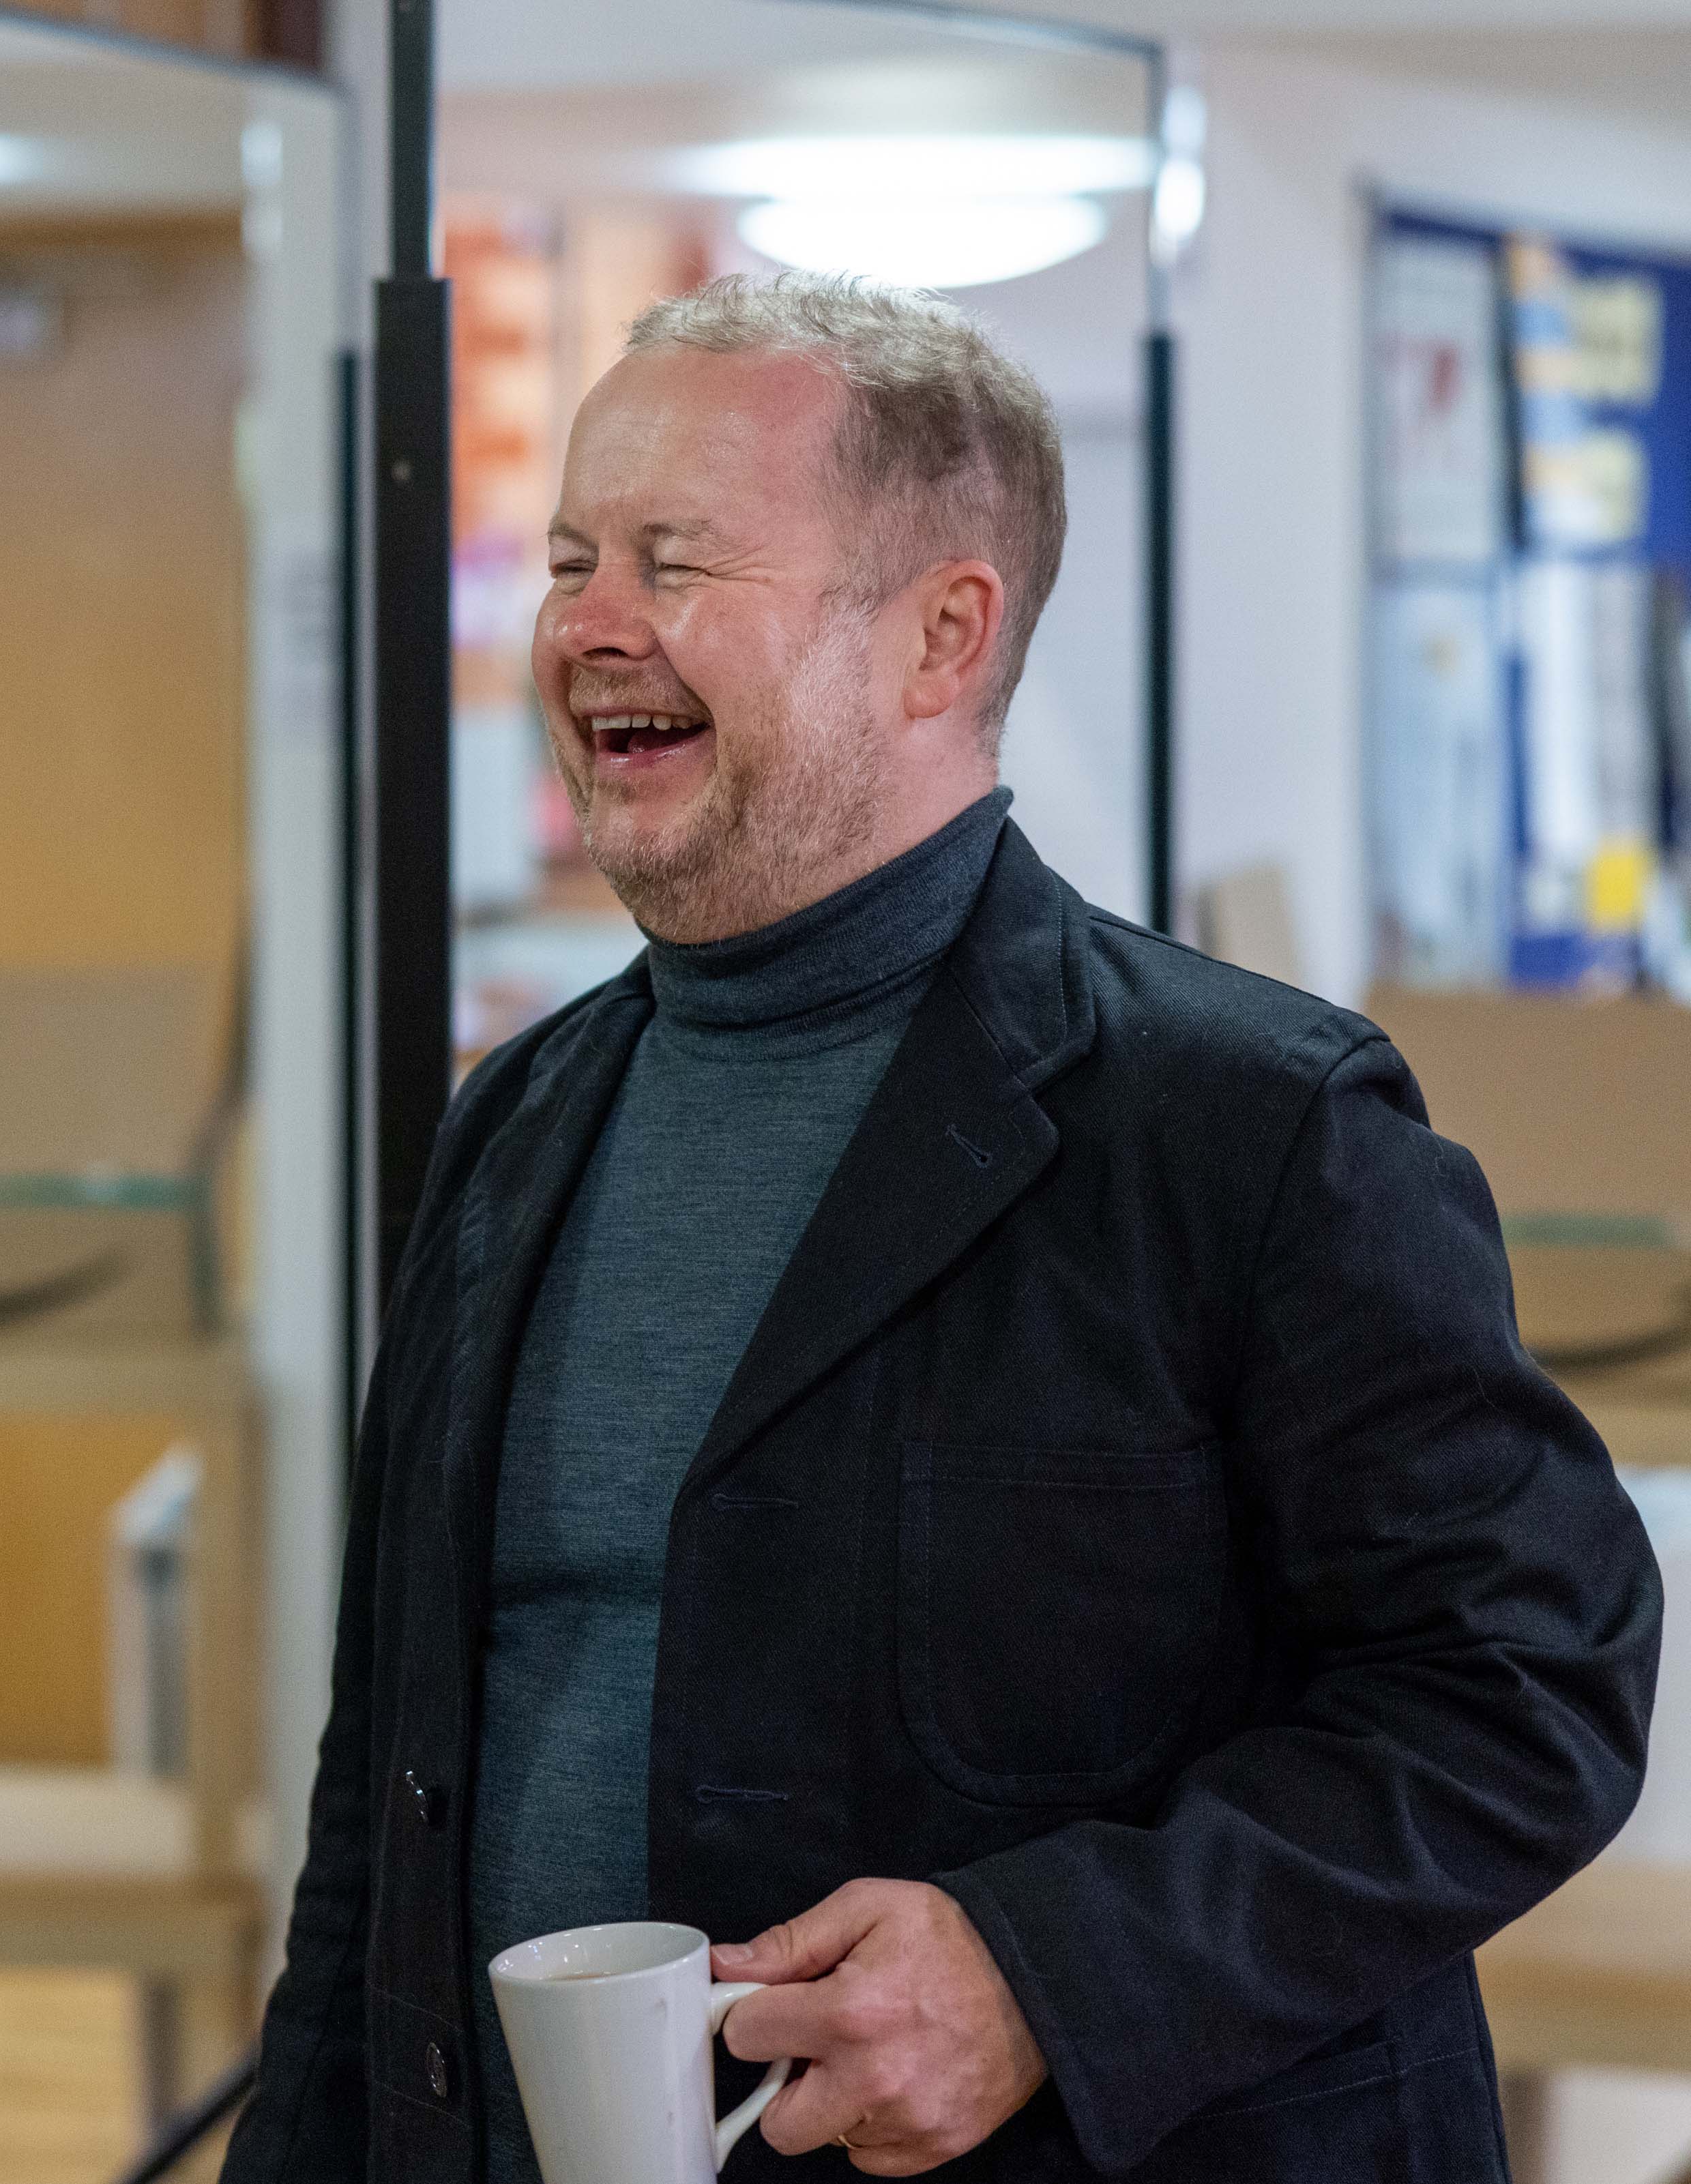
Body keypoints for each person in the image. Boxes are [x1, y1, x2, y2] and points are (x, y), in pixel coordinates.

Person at [226, 273, 1660, 2183]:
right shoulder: (515, 1126)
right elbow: (384, 1795)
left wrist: (1044, 1973)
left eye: (675, 557)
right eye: (575, 555)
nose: (588, 624)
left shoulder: (1252, 1125)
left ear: (940, 636)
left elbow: (1529, 1684)